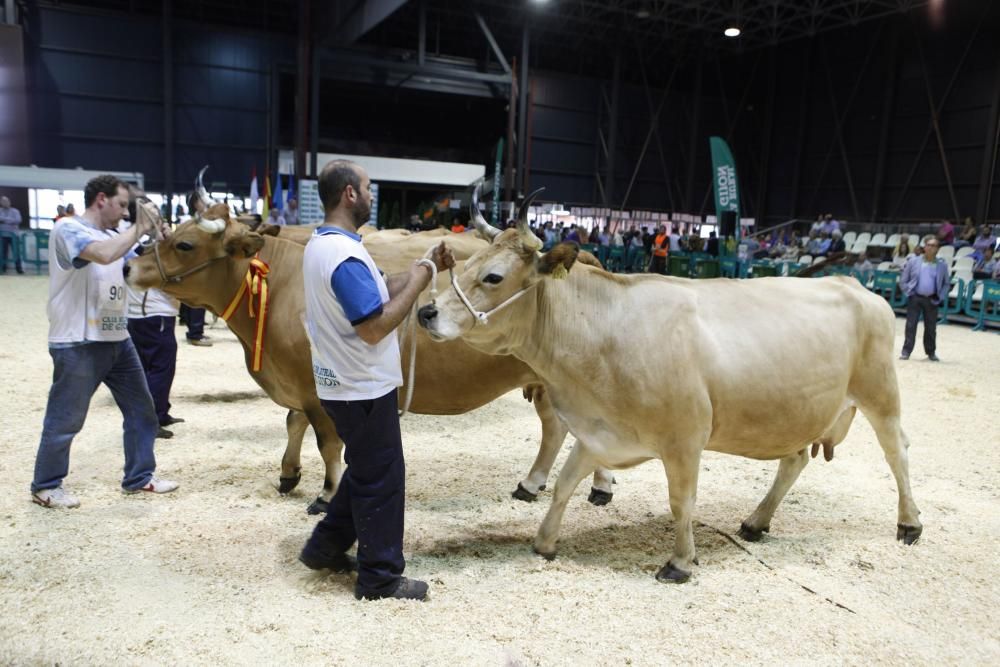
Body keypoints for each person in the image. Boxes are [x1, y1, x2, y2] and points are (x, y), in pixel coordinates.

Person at [298, 159, 455, 601]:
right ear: (350, 193)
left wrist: (424, 267)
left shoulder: (327, 244)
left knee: (367, 468)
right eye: (367, 187)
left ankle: (324, 547)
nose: (371, 195)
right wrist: (422, 280)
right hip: (360, 385)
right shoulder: (342, 255)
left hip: (343, 381)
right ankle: (380, 579)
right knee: (382, 478)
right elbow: (373, 325)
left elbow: (380, 286)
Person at [30, 175, 179, 508]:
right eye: (122, 204)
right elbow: (104, 254)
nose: (125, 212)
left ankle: (139, 477)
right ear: (101, 199)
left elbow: (137, 264)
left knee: (143, 411)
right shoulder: (68, 229)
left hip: (116, 337)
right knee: (66, 419)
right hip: (77, 341)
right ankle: (46, 485)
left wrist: (162, 238)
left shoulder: (116, 234)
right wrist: (139, 227)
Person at [123, 188, 184, 439]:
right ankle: (152, 419)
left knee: (155, 367)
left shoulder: (136, 240)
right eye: (152, 214)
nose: (158, 218)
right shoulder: (146, 245)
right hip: (153, 312)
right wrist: (165, 240)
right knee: (159, 368)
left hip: (144, 313)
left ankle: (161, 411)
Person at [899, 238, 949, 362]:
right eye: (928, 245)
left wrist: (941, 296)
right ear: (924, 247)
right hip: (915, 296)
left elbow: (946, 283)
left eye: (933, 245)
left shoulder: (942, 265)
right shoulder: (913, 261)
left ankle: (931, 352)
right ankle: (906, 352)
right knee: (911, 325)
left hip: (932, 299)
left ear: (937, 249)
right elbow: (904, 279)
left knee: (931, 328)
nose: (930, 247)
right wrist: (907, 291)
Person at [178, 192, 213, 347]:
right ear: (195, 203)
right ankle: (195, 334)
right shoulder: (192, 221)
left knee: (190, 299)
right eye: (201, 200)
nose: (205, 203)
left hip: (191, 265)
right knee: (198, 298)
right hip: (195, 265)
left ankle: (191, 328)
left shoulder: (194, 220)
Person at [0, 195, 24, 274]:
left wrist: (4, 220)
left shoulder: (15, 211)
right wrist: (11, 221)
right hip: (2, 236)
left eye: (7, 201)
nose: (5, 203)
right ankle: (3, 268)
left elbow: (18, 220)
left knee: (16, 252)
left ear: (9, 202)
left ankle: (19, 268)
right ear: (1, 203)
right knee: (3, 252)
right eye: (3, 201)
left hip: (14, 235)